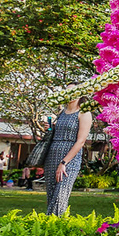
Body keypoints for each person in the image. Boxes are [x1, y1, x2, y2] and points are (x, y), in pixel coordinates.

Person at [44, 84, 92, 216]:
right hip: (52, 155)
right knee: (52, 195)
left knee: (60, 196)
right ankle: (49, 226)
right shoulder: (61, 113)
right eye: (67, 90)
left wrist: (64, 162)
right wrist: (49, 129)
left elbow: (81, 141)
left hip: (69, 159)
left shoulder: (84, 113)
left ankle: (54, 226)